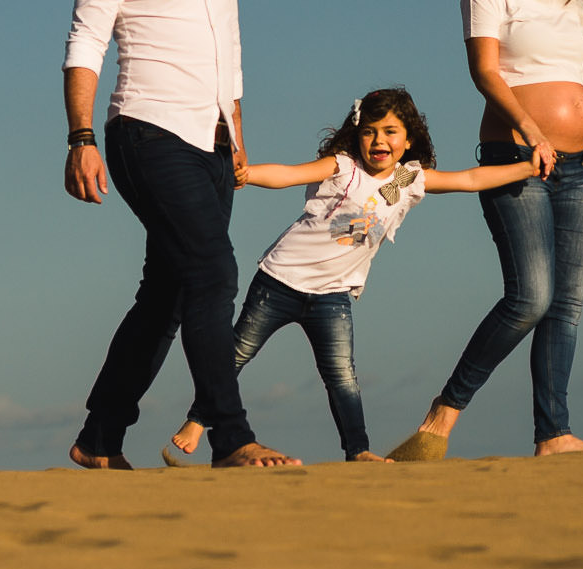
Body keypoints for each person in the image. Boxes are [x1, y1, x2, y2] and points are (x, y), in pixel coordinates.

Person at [60, 0, 298, 470]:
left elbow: (228, 39)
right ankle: (232, 436)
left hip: (214, 139)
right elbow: (85, 44)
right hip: (145, 129)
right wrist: (80, 138)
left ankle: (100, 435)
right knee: (212, 268)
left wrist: (238, 130)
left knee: (166, 293)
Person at [164, 88, 541, 464]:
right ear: (357, 135)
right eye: (370, 131)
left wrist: (527, 167)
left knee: (343, 377)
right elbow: (289, 175)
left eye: (391, 132)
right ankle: (197, 420)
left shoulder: (403, 182)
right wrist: (247, 174)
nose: (379, 140)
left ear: (408, 139)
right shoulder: (344, 168)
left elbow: (470, 179)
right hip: (280, 281)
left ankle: (358, 450)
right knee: (234, 354)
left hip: (332, 295)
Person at [389, 0, 583, 460]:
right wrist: (533, 129)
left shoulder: (573, 3)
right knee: (530, 297)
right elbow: (486, 71)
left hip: (579, 167)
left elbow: (562, 70)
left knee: (567, 304)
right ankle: (444, 413)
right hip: (515, 156)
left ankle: (553, 434)